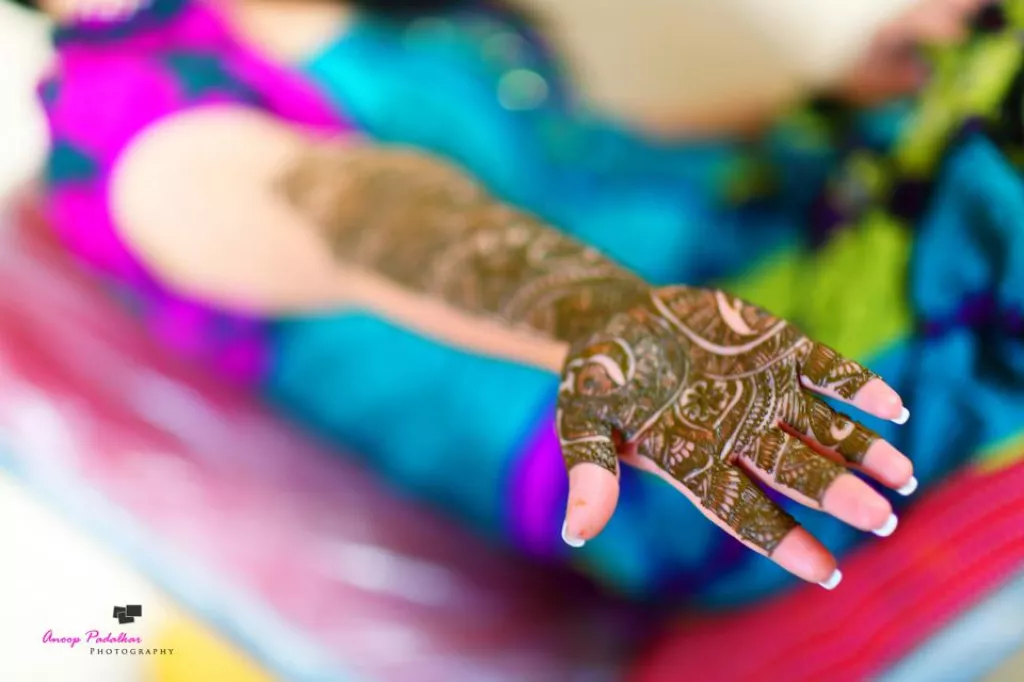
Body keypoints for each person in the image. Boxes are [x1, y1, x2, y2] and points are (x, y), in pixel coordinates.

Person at [25, 0, 938, 607]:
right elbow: (352, 211)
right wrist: (611, 324)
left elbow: (578, 146)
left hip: (756, 242)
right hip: (698, 449)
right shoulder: (125, 125)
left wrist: (831, 98)